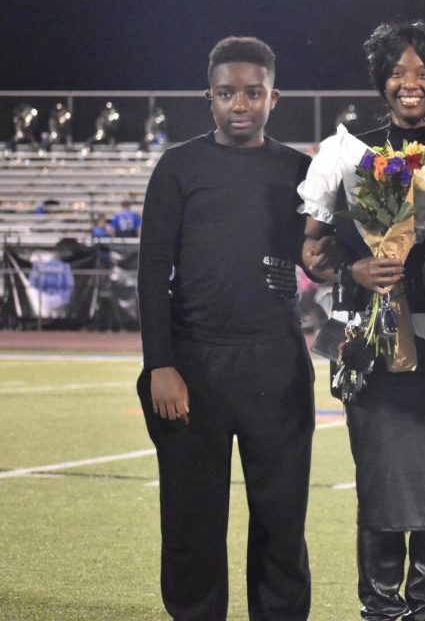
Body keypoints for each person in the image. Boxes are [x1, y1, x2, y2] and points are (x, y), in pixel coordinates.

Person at [297, 20, 425, 621]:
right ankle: (378, 610)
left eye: (423, 72)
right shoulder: (349, 152)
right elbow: (315, 250)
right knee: (377, 488)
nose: (410, 84)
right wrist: (355, 274)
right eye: (398, 72)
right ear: (381, 81)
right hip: (368, 349)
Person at [136, 37, 314, 620]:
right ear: (208, 98)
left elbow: (318, 257)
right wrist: (160, 364)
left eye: (253, 93)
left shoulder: (299, 170)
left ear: (274, 97)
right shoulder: (178, 166)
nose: (240, 104)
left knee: (282, 527)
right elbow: (151, 270)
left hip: (276, 365)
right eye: (227, 93)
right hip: (193, 367)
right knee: (192, 525)